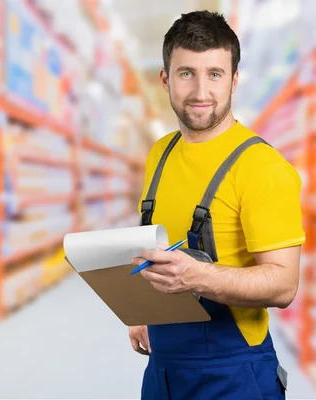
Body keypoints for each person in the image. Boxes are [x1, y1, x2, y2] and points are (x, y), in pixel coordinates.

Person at [129, 10, 304, 400]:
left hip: (234, 376)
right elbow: (157, 242)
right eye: (187, 73)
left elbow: (282, 285)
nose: (201, 92)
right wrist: (142, 309)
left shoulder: (262, 167)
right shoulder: (160, 153)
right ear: (165, 79)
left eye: (215, 74)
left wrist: (197, 277)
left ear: (234, 80)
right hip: (162, 372)